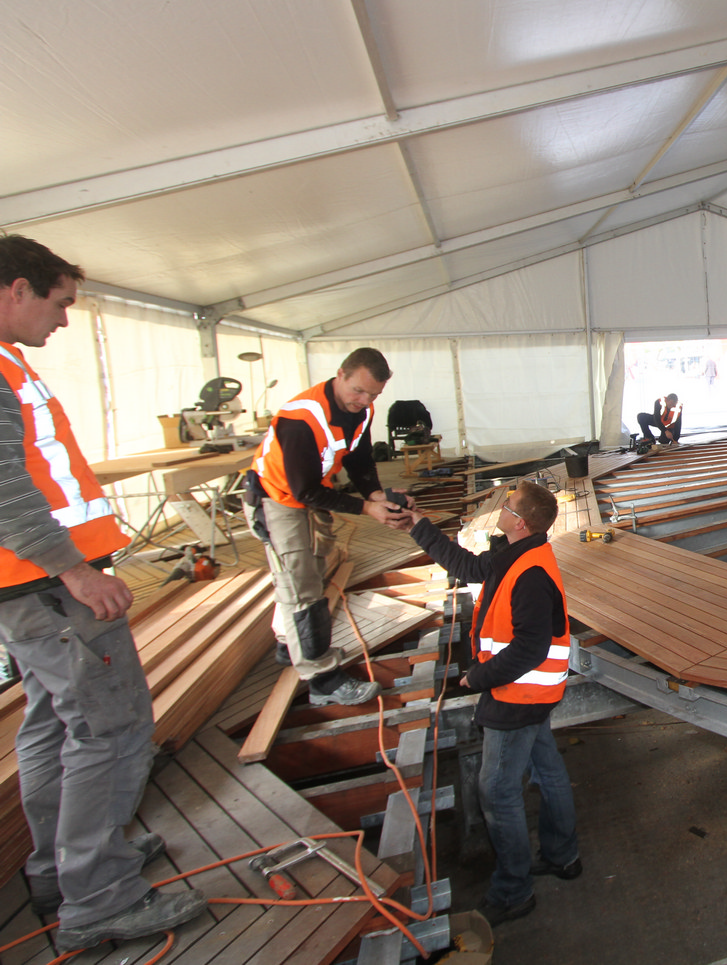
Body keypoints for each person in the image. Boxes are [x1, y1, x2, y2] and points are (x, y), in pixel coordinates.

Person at [0, 236, 208, 951]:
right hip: (51, 587)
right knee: (109, 727)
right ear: (17, 289)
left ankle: (61, 871)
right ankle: (99, 895)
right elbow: (7, 491)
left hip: (27, 590)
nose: (64, 320)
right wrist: (77, 570)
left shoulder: (9, 362)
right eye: (59, 303)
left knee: (52, 726)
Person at [406, 481, 579, 925]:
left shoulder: (531, 574)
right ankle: (562, 856)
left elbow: (529, 648)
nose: (501, 508)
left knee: (498, 791)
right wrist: (417, 524)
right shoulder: (515, 554)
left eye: (508, 506)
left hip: (519, 694)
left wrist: (477, 677)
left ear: (520, 522)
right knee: (547, 770)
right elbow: (466, 565)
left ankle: (513, 892)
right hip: (534, 692)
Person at [243, 347, 413, 706]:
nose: (364, 401)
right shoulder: (301, 418)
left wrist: (376, 495)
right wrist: (367, 508)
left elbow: (359, 458)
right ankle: (322, 679)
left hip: (308, 494)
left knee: (314, 569)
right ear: (340, 375)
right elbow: (303, 490)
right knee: (301, 584)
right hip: (277, 498)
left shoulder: (362, 410)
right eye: (358, 391)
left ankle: (289, 644)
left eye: (373, 395)